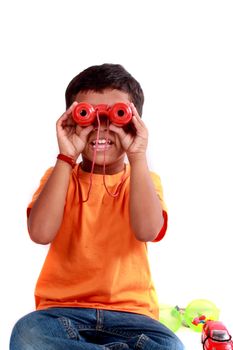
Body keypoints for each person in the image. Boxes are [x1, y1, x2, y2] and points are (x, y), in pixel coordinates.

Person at [10, 64, 184, 349]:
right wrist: (66, 157)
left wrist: (137, 155)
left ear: (134, 121)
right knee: (27, 335)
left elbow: (148, 230)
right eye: (87, 117)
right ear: (71, 119)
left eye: (116, 116)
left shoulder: (144, 180)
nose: (101, 128)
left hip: (132, 316)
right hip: (61, 313)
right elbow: (40, 233)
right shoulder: (59, 178)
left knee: (172, 346)